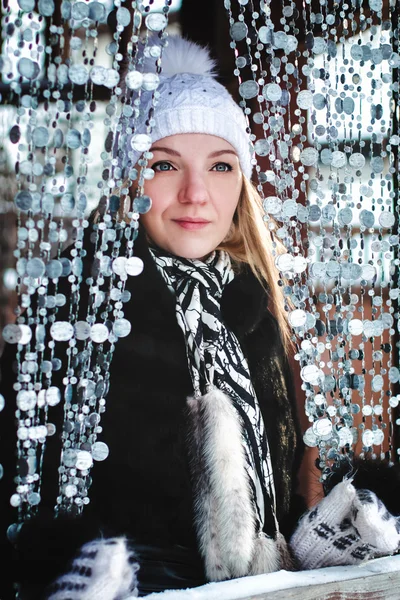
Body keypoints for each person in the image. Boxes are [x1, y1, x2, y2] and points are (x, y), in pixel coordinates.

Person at [1, 35, 400, 600]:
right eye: (165, 165)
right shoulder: (76, 312)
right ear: (129, 179)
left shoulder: (258, 311)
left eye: (219, 166)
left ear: (241, 184)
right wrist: (65, 569)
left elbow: (280, 490)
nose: (195, 193)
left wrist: (309, 549)